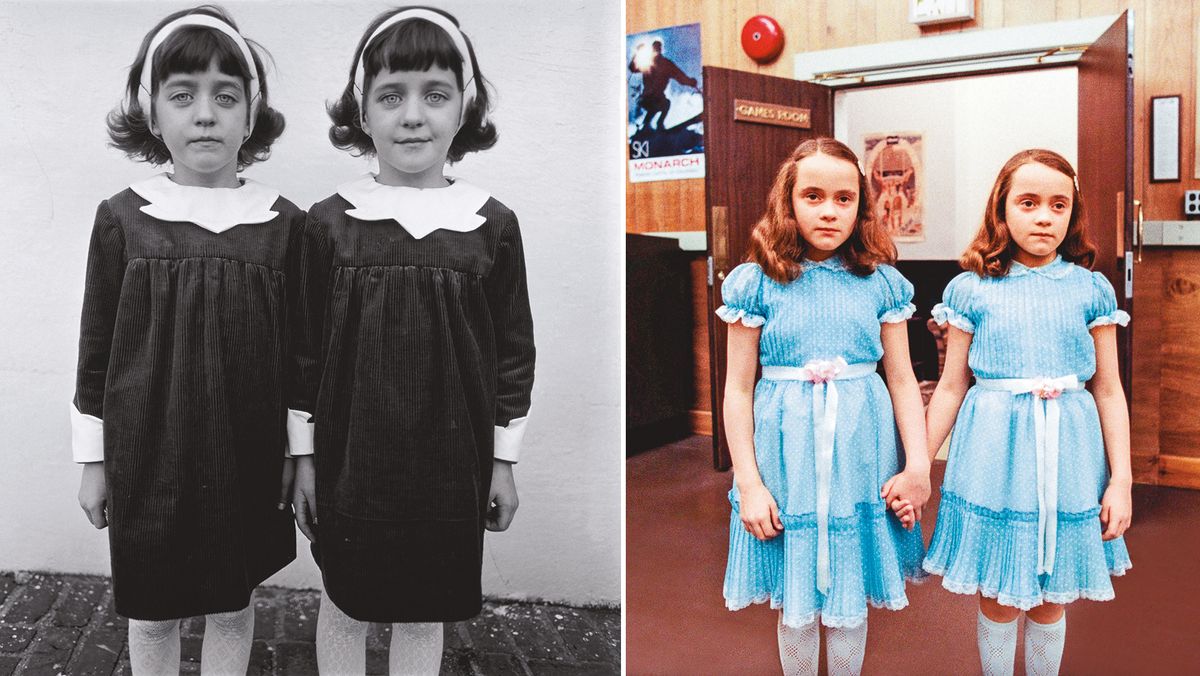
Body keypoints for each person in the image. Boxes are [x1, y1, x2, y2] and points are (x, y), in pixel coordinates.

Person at [289, 7, 535, 674]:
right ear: (362, 112)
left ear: (465, 108)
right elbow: (302, 353)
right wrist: (304, 457)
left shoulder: (491, 225)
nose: (413, 115)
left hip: (450, 464)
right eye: (390, 95)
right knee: (346, 600)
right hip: (351, 460)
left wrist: (502, 460)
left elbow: (513, 351)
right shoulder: (329, 224)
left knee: (426, 606)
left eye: (435, 94)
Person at [73, 5, 297, 674]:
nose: (206, 113)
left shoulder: (282, 225)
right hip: (149, 451)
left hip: (246, 451)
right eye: (184, 94)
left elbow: (301, 356)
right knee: (154, 608)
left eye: (225, 96)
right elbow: (97, 345)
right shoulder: (123, 220)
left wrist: (299, 450)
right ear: (153, 112)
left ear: (250, 114)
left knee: (232, 603)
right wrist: (94, 459)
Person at [916, 148, 1132, 676]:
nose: (1043, 217)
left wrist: (1122, 478)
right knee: (999, 592)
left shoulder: (1091, 288)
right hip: (994, 453)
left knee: (1052, 593)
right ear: (1002, 209)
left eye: (1059, 206)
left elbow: (1107, 389)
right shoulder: (970, 288)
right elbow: (950, 386)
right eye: (1029, 202)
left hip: (1070, 452)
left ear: (1072, 215)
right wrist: (916, 463)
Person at [718, 137, 928, 675]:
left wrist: (918, 466)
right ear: (787, 201)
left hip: (862, 450)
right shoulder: (754, 283)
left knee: (849, 593)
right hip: (786, 456)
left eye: (844, 198)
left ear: (862, 205)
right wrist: (749, 483)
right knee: (798, 596)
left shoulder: (881, 282)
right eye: (813, 196)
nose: (829, 210)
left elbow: (903, 380)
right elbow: (738, 390)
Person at [629, 39, 698, 131]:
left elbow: (680, 76)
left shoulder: (663, 64)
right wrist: (637, 54)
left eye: (658, 49)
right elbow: (633, 68)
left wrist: (690, 82)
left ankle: (650, 125)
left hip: (653, 98)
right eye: (655, 49)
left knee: (661, 105)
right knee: (663, 104)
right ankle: (651, 125)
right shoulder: (649, 63)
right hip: (648, 98)